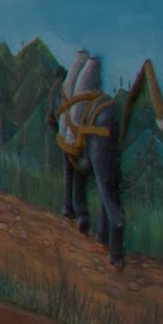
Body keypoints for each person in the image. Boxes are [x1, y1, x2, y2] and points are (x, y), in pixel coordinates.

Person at [58, 49, 123, 264]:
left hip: (87, 126)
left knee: (105, 186)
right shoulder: (88, 75)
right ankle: (101, 231)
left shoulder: (75, 83)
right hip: (102, 117)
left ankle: (114, 242)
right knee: (108, 182)